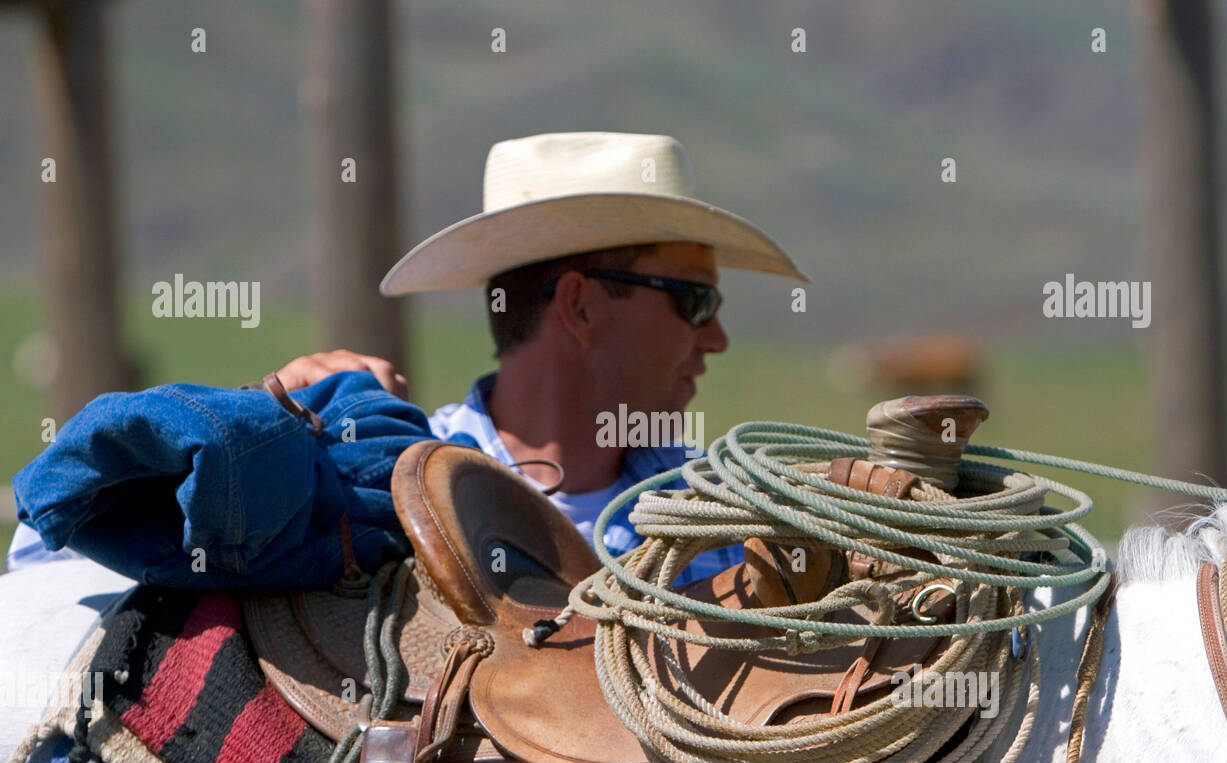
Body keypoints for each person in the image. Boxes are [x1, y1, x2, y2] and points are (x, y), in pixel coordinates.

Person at [7, 131, 806, 584]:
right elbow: (46, 555)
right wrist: (267, 425)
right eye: (695, 300)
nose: (717, 336)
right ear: (581, 305)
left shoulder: (729, 515)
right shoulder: (383, 478)